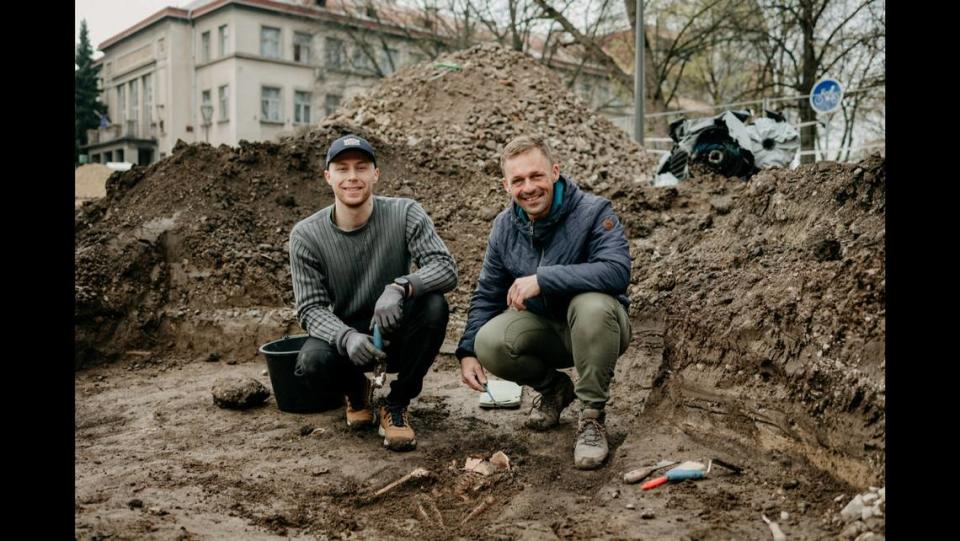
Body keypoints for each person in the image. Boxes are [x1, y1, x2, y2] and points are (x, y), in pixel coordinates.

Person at [456, 134, 632, 469]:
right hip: (547, 329)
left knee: (592, 305)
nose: (529, 187)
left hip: (600, 328)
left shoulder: (594, 212)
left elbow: (616, 271)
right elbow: (488, 294)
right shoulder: (504, 228)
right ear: (506, 186)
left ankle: (592, 416)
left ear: (554, 172)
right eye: (518, 180)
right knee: (489, 342)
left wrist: (544, 279)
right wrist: (466, 353)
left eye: (536, 176)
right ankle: (555, 390)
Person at [289, 134, 457, 452]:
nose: (352, 176)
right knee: (311, 363)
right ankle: (357, 392)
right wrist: (346, 337)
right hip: (347, 344)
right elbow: (310, 309)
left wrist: (399, 288)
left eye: (361, 167)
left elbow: (446, 268)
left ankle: (395, 404)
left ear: (375, 174)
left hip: (395, 331)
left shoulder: (405, 213)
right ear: (328, 176)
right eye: (342, 168)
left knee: (434, 306)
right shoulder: (306, 235)